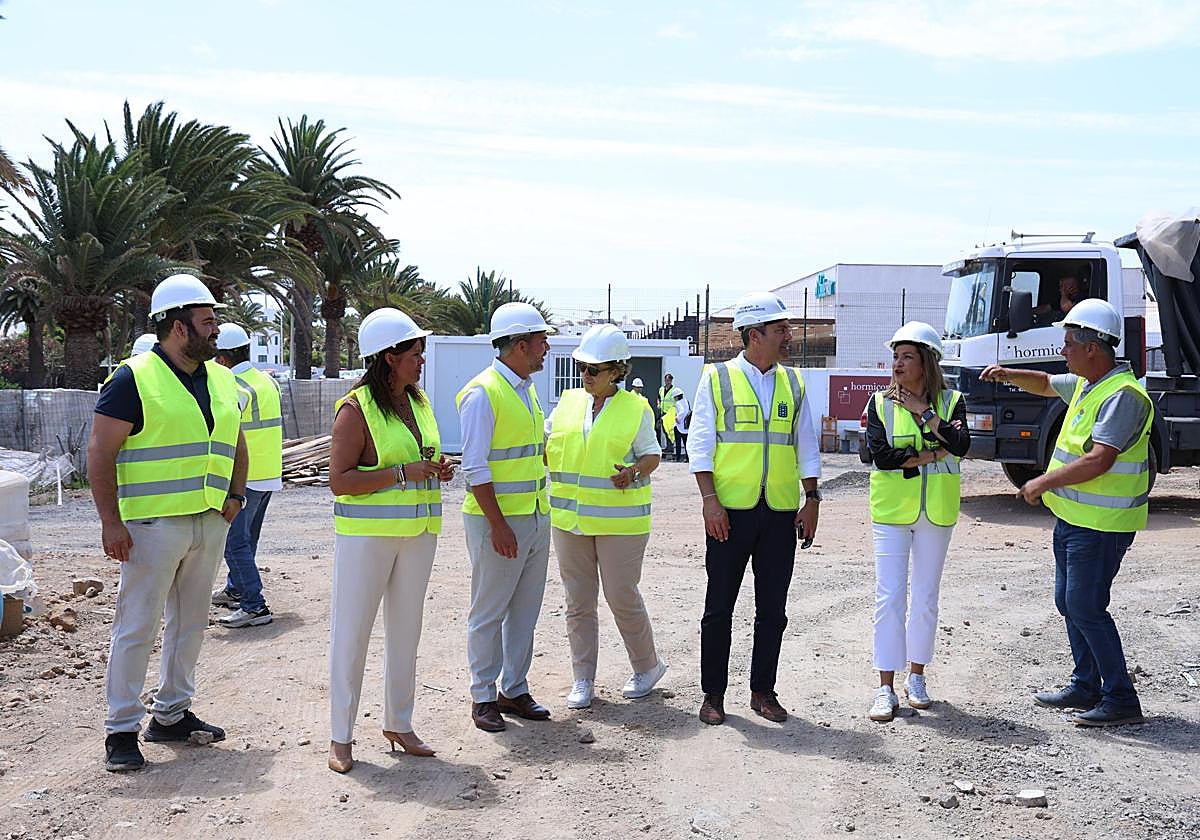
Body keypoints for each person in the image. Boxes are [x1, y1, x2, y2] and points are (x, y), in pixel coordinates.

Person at [88, 274, 248, 772]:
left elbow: (235, 445)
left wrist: (236, 496)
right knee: (137, 625)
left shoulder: (222, 378)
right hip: (151, 526)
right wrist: (111, 523)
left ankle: (172, 713)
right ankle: (121, 729)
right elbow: (99, 453)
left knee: (191, 624)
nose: (216, 328)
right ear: (178, 327)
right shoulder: (132, 378)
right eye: (207, 320)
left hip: (208, 520)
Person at [981, 299, 1150, 727]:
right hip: (1075, 520)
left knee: (1086, 606)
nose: (1063, 349)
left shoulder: (1123, 396)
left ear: (1093, 348)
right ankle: (1086, 684)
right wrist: (1008, 374)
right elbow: (1043, 382)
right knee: (1068, 602)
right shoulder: (1087, 384)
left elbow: (1099, 460)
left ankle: (1121, 699)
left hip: (1103, 526)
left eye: (1070, 342)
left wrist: (1041, 481)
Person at [326, 308, 453, 773]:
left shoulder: (418, 402)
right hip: (367, 539)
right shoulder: (354, 409)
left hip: (418, 535)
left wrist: (436, 468)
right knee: (352, 635)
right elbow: (339, 480)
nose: (421, 360)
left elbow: (422, 457)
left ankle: (399, 722)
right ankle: (341, 736)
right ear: (387, 357)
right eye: (414, 353)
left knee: (406, 633)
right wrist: (402, 473)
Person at [687, 291, 820, 725]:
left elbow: (806, 445)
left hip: (779, 513)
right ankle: (713, 695)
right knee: (719, 608)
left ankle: (763, 691)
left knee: (773, 611)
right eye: (780, 329)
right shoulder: (718, 379)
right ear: (753, 335)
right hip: (730, 512)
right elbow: (701, 444)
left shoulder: (795, 382)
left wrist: (812, 498)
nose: (789, 336)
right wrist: (710, 501)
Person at [546, 324, 666, 710]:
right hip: (570, 521)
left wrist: (632, 472)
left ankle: (647, 667)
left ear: (617, 370)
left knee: (621, 596)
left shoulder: (636, 408)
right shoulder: (567, 403)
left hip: (620, 523)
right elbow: (546, 444)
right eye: (582, 367)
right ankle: (583, 679)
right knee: (578, 602)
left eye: (594, 370)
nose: (585, 376)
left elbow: (652, 454)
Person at [865, 322, 970, 723]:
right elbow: (882, 457)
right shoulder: (879, 404)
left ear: (926, 363)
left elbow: (961, 445)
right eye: (895, 356)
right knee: (889, 598)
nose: (897, 363)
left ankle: (917, 678)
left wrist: (923, 413)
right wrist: (929, 454)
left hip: (937, 513)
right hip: (892, 512)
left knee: (925, 599)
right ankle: (885, 687)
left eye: (907, 356)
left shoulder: (953, 401)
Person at [457, 302, 555, 732]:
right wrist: (498, 525)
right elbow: (475, 467)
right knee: (489, 612)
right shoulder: (483, 393)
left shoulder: (525, 389)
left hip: (533, 517)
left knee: (525, 611)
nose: (547, 347)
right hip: (498, 523)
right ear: (519, 345)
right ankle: (483, 696)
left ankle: (513, 689)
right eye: (541, 341)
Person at [211, 324, 281, 628]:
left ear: (223, 358)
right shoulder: (266, 381)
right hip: (268, 474)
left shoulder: (235, 387)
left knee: (233, 543)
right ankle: (235, 589)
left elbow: (225, 433)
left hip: (245, 478)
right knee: (246, 539)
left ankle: (254, 605)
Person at [657, 373, 674, 453]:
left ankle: (670, 447)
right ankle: (668, 447)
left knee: (669, 431)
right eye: (666, 380)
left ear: (671, 381)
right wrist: (658, 404)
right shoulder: (661, 389)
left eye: (669, 380)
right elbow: (659, 398)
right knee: (663, 430)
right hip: (663, 412)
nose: (668, 382)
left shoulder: (674, 390)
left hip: (670, 413)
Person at [671, 388, 690, 462]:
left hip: (679, 426)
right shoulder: (686, 401)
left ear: (676, 396)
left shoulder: (678, 403)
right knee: (686, 443)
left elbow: (681, 412)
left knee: (678, 443)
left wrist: (677, 418)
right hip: (686, 425)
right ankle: (688, 458)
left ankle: (678, 458)